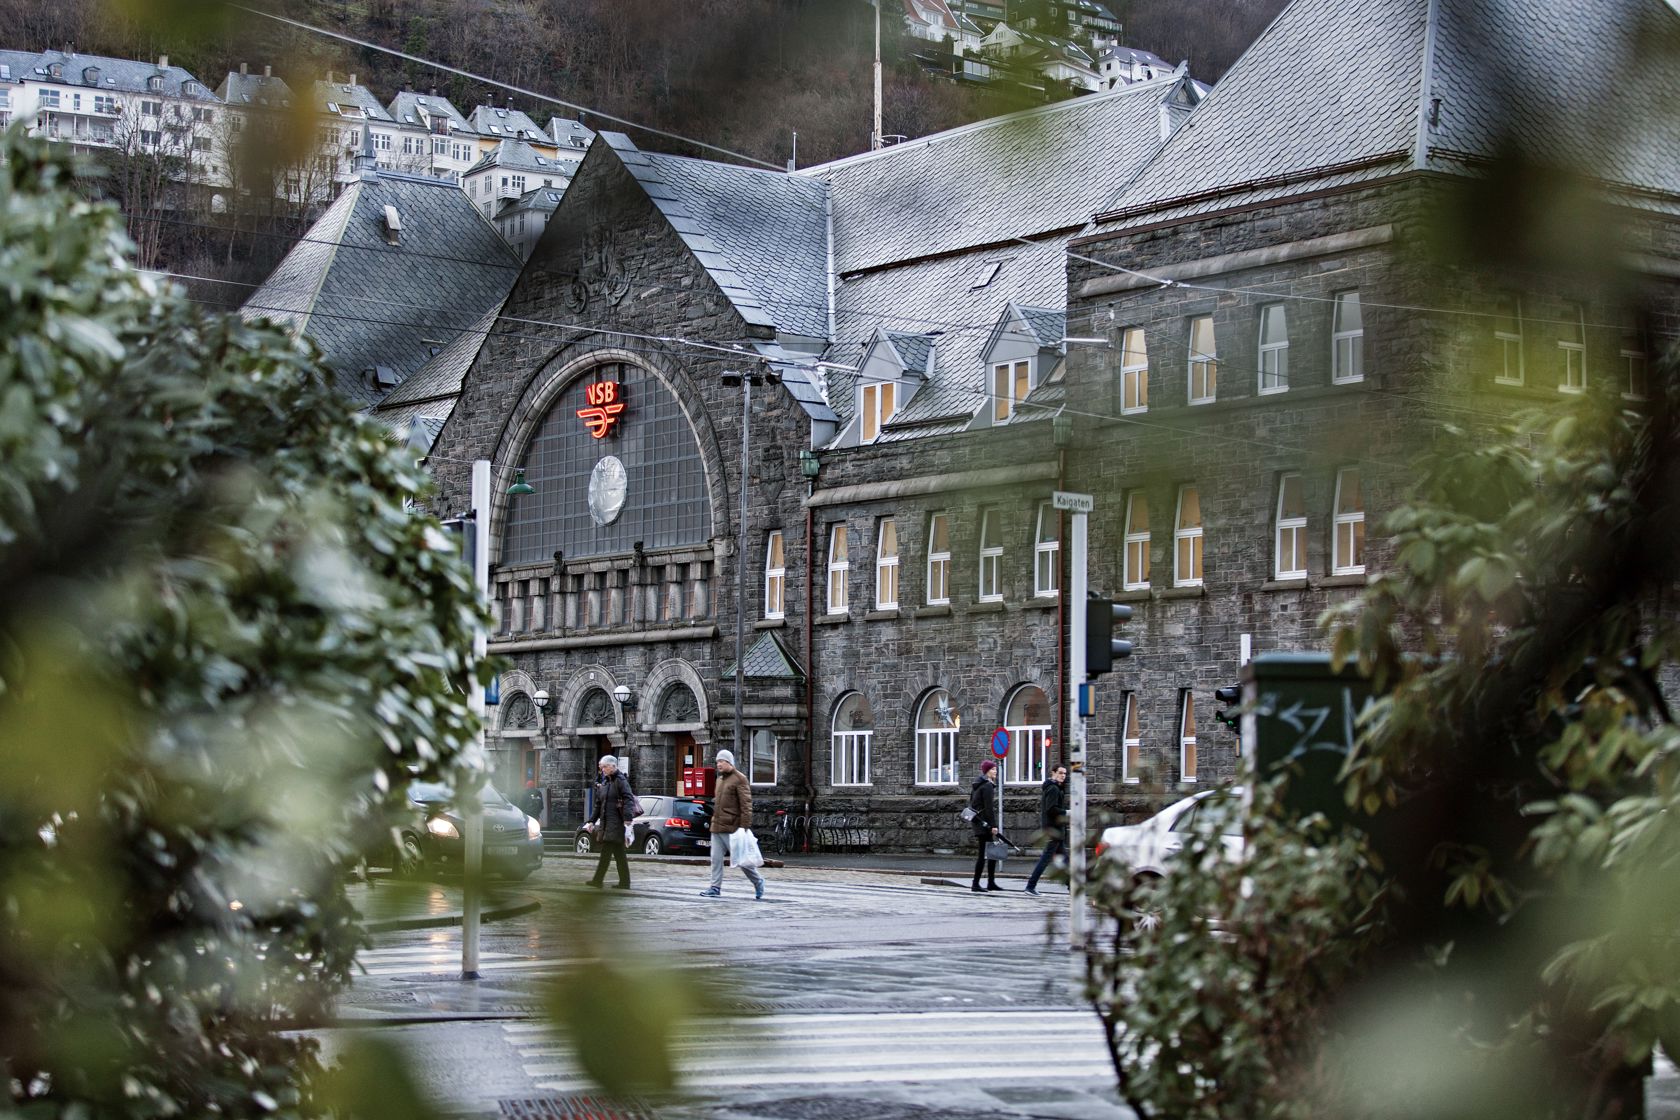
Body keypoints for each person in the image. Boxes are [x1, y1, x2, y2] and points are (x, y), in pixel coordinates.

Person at [702, 749, 765, 900]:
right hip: (717, 826)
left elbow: (746, 805)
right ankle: (715, 887)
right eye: (717, 762)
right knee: (715, 859)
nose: (718, 764)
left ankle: (758, 881)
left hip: (733, 828)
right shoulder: (719, 779)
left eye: (721, 761)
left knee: (742, 860)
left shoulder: (740, 779)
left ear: (729, 762)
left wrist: (744, 827)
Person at [585, 755, 634, 890]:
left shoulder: (621, 781)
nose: (603, 770)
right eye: (601, 768)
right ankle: (624, 882)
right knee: (619, 854)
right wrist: (591, 821)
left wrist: (628, 821)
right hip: (606, 824)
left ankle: (598, 880)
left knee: (606, 854)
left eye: (605, 767)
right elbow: (598, 804)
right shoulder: (606, 782)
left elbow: (629, 800)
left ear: (613, 766)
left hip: (616, 824)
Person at [1024, 764, 1069, 895]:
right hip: (1053, 830)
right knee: (1046, 859)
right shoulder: (1053, 788)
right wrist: (1066, 812)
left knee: (1065, 860)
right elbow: (1051, 809)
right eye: (1060, 773)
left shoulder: (1054, 787)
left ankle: (1072, 886)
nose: (1063, 776)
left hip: (1056, 830)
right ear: (1053, 773)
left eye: (1065, 774)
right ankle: (1030, 886)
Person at [970, 759, 1003, 893]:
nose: (995, 771)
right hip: (984, 825)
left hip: (978, 823)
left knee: (991, 853)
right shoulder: (987, 786)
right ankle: (976, 884)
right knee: (985, 854)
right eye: (993, 769)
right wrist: (993, 826)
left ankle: (990, 882)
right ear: (987, 771)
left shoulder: (978, 785)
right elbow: (989, 808)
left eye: (995, 769)